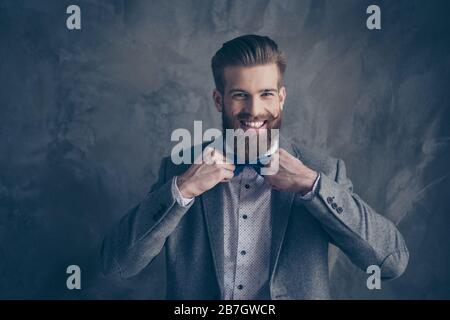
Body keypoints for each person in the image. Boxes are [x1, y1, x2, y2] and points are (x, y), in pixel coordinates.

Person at [101, 34, 409, 299]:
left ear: (281, 99)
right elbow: (117, 265)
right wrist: (181, 191)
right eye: (240, 96)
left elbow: (392, 263)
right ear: (219, 100)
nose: (254, 110)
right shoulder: (179, 168)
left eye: (266, 94)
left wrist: (313, 186)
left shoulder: (323, 170)